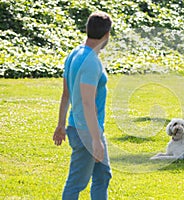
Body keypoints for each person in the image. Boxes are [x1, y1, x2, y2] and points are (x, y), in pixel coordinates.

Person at [52, 11, 113, 200]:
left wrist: (61, 124)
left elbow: (66, 93)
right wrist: (95, 140)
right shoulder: (91, 62)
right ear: (106, 35)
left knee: (103, 175)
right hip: (86, 131)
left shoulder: (75, 53)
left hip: (85, 129)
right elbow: (87, 103)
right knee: (76, 182)